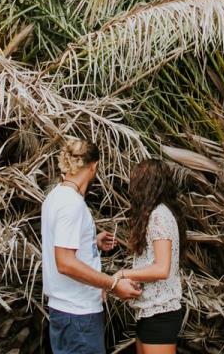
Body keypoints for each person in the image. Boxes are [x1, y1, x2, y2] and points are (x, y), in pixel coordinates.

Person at [42, 137, 142, 354]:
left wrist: (90, 242)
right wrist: (113, 285)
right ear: (94, 166)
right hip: (78, 317)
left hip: (65, 312)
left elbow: (59, 247)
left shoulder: (55, 197)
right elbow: (65, 263)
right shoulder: (72, 205)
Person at [112, 159, 185, 352]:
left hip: (161, 313)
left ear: (148, 184)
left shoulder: (159, 216)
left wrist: (122, 274)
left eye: (137, 179)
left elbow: (162, 269)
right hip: (149, 312)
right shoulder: (155, 214)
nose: (132, 184)